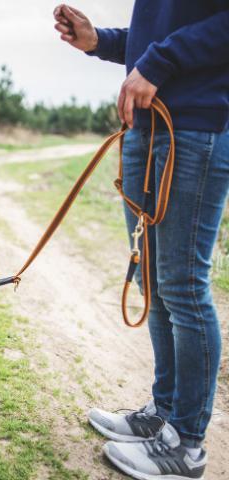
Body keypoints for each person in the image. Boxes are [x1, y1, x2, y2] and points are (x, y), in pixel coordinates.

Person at [53, 3, 229, 479]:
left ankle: (186, 446)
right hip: (147, 126)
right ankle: (163, 413)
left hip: (194, 126)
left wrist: (158, 63)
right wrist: (102, 42)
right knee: (153, 279)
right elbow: (165, 28)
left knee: (184, 285)